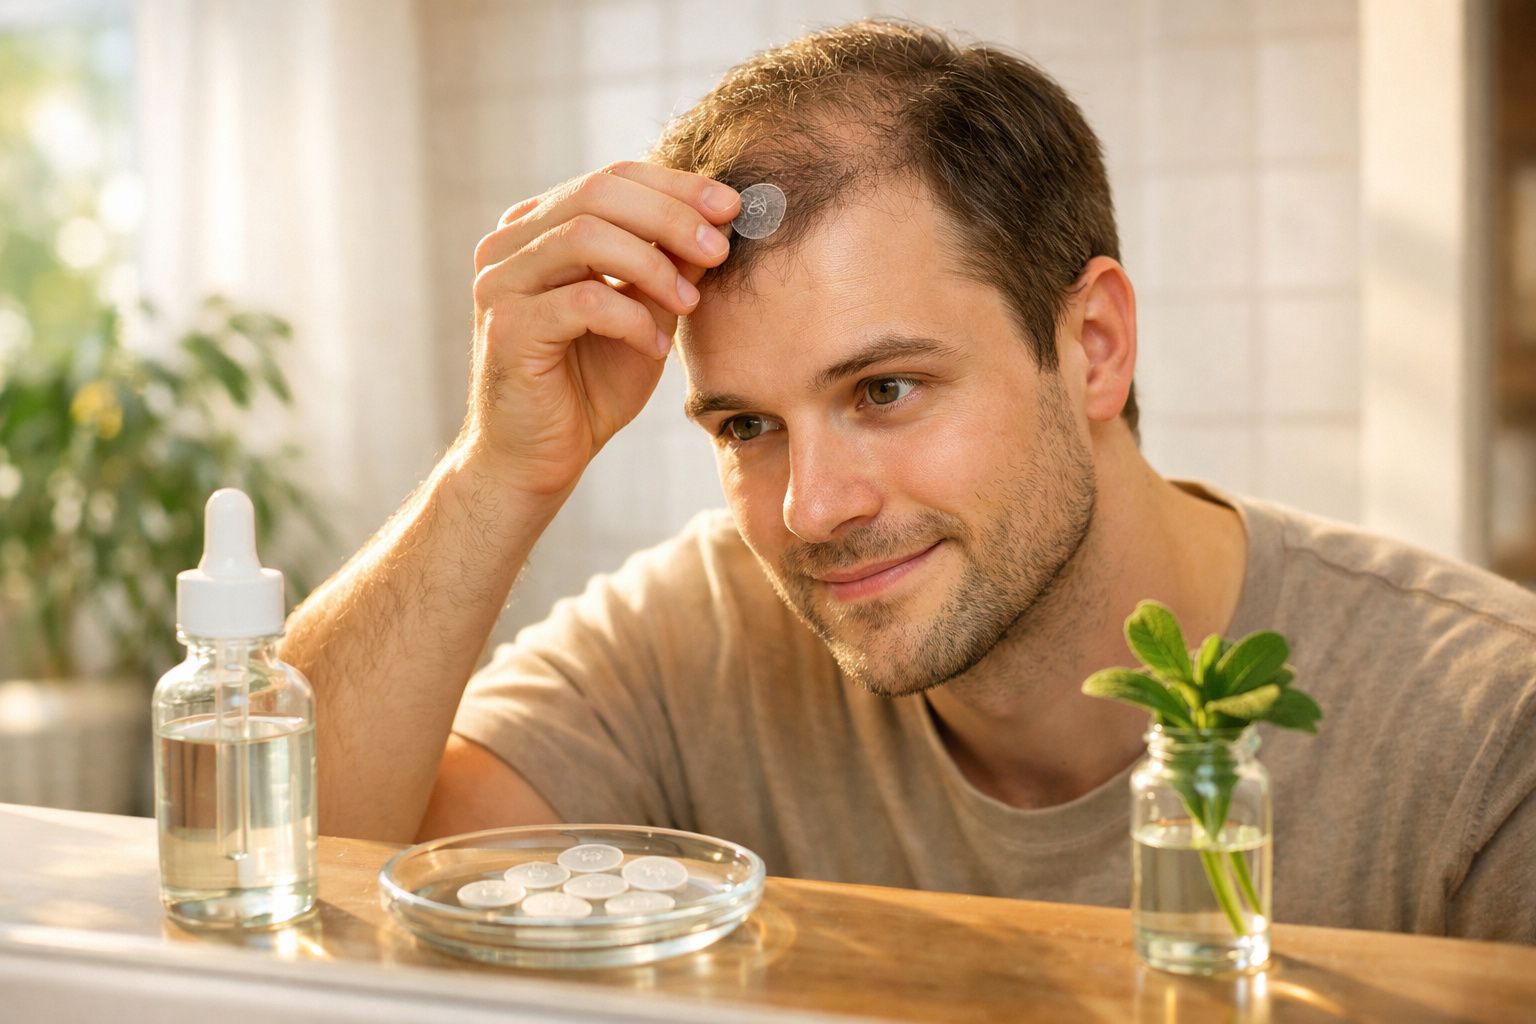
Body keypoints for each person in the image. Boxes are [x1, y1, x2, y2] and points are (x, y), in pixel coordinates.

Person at [281, 19, 1536, 942]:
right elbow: (293, 859)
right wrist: (497, 468)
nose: (810, 509)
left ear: (1092, 346)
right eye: (745, 427)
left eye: (884, 390)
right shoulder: (701, 636)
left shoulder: (1489, 738)